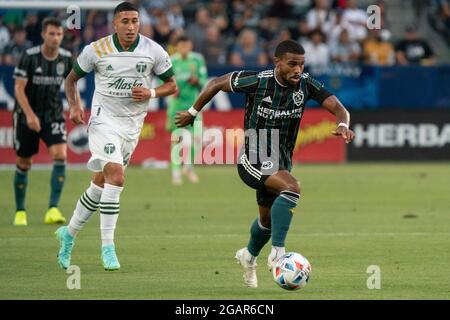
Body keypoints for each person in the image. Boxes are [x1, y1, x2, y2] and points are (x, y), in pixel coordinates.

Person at [175, 40, 355, 288]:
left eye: (302, 65)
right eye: (292, 64)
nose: (298, 70)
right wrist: (193, 113)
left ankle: (248, 256)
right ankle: (278, 254)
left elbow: (338, 107)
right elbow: (216, 83)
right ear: (277, 62)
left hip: (280, 160)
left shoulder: (306, 85)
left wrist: (343, 124)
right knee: (292, 188)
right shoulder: (258, 81)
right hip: (253, 156)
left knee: (268, 221)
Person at [57, 2, 177, 271]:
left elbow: (172, 85)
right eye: (125, 21)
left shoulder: (153, 50)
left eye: (135, 20)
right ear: (114, 24)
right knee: (117, 176)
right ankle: (108, 247)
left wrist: (152, 93)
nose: (131, 26)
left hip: (132, 126)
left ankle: (69, 234)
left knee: (101, 183)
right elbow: (70, 79)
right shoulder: (96, 50)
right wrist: (75, 105)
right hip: (103, 121)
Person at [12, 18, 72, 226]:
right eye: (52, 34)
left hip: (53, 114)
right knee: (24, 162)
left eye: (59, 34)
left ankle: (53, 209)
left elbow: (71, 84)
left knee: (60, 154)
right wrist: (29, 115)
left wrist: (76, 105)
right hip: (26, 115)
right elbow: (19, 88)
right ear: (43, 35)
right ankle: (20, 211)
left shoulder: (66, 58)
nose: (55, 38)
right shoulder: (29, 57)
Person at [166, 35, 207, 185]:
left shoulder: (197, 59)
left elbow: (204, 80)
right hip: (177, 106)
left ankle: (188, 167)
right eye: (181, 46)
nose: (184, 48)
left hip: (195, 106)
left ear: (190, 46)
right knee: (177, 140)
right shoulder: (171, 61)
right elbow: (162, 81)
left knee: (197, 139)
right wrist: (172, 90)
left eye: (187, 45)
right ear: (177, 46)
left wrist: (197, 81)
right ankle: (176, 173)